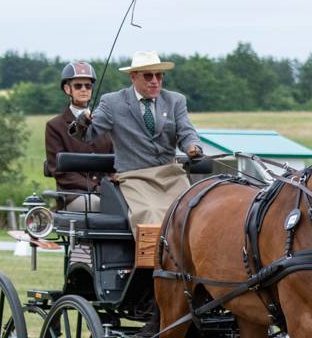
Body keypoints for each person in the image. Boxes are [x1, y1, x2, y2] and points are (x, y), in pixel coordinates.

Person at [70, 51, 204, 233]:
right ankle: (154, 259)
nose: (155, 80)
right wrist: (82, 122)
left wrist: (192, 147)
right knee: (151, 213)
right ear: (133, 77)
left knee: (191, 211)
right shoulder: (112, 102)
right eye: (148, 75)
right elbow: (88, 135)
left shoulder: (175, 101)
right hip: (135, 177)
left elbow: (186, 131)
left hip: (171, 175)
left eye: (159, 75)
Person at [44, 61, 113, 210]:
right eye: (78, 86)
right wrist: (95, 187)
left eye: (87, 86)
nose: (84, 90)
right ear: (67, 89)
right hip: (74, 194)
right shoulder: (55, 126)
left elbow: (115, 163)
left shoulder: (104, 124)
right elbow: (60, 171)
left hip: (107, 191)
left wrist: (108, 186)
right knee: (99, 205)